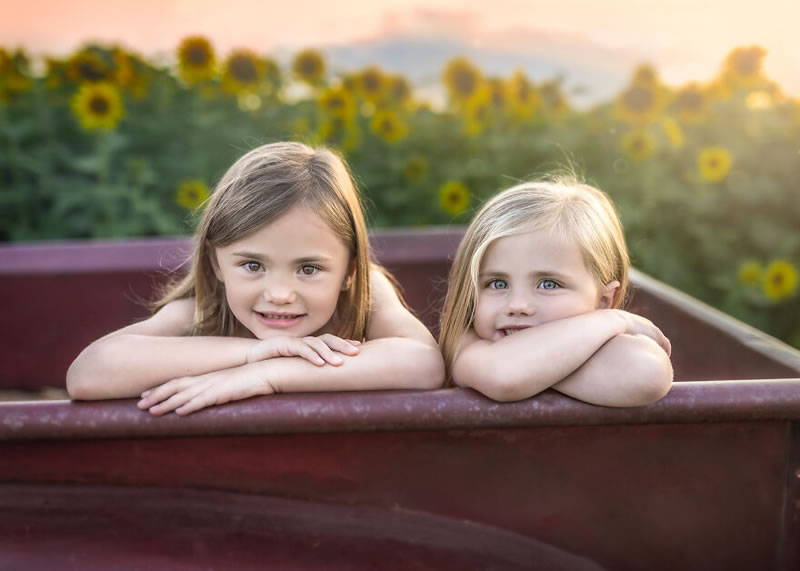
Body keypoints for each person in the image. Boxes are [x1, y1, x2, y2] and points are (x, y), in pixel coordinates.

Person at [67, 142, 445, 415]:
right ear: (215, 263)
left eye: (308, 269)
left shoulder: (368, 294)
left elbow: (423, 362)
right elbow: (88, 373)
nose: (279, 294)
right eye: (252, 266)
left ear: (349, 272)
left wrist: (270, 374)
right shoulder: (204, 310)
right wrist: (251, 353)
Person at [438, 175, 673, 405]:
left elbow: (647, 373)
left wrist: (541, 368)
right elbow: (505, 375)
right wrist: (616, 320)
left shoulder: (603, 344)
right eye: (498, 283)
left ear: (602, 301)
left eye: (548, 284)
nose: (518, 305)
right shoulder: (466, 346)